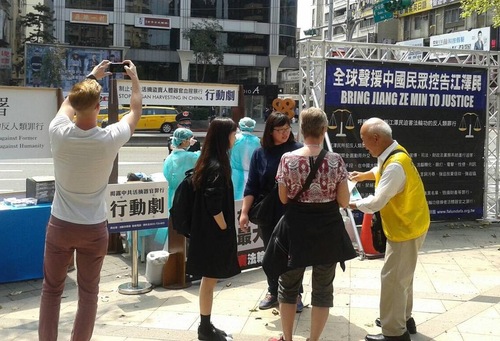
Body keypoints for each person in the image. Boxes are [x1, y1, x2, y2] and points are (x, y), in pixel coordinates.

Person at [38, 59, 142, 341]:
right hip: (94, 228)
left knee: (51, 290)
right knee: (88, 294)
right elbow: (135, 110)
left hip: (60, 225)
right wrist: (132, 79)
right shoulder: (110, 137)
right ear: (98, 107)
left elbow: (66, 106)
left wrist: (92, 76)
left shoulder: (58, 132)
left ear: (75, 105)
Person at [266, 107, 357, 341]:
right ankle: (313, 339)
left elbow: (283, 198)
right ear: (324, 130)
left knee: (288, 287)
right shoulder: (336, 161)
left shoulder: (288, 159)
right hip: (328, 229)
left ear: (301, 130)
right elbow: (344, 201)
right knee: (323, 290)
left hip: (296, 229)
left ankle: (287, 338)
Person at [348, 117, 430, 341]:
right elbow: (380, 171)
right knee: (404, 276)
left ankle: (394, 333)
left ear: (376, 138)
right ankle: (402, 317)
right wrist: (363, 175)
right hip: (412, 223)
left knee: (393, 279)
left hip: (406, 228)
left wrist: (349, 203)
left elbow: (376, 202)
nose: (363, 145)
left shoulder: (394, 164)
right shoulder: (394, 153)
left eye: (365, 140)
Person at [238, 112, 303, 311]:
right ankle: (273, 290)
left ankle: (295, 294)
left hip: (292, 210)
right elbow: (252, 186)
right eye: (280, 130)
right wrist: (244, 212)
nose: (285, 133)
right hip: (268, 210)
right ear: (270, 131)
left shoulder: (298, 150)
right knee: (270, 253)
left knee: (294, 253)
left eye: (287, 129)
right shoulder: (261, 153)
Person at [187, 117, 240, 341]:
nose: (235, 138)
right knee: (209, 281)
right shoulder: (217, 166)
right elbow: (214, 204)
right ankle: (205, 329)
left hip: (204, 232)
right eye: (233, 133)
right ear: (223, 136)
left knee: (208, 281)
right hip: (212, 234)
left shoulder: (207, 161)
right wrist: (225, 228)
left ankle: (206, 325)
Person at [159, 128, 201, 245]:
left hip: (172, 193)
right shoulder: (190, 157)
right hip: (185, 195)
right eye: (189, 139)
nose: (191, 141)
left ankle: (170, 246)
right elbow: (202, 158)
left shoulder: (169, 158)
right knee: (184, 220)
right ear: (183, 142)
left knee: (172, 220)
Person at [230, 117, 261, 200]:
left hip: (235, 173)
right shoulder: (257, 141)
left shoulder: (235, 139)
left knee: (234, 197)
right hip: (252, 174)